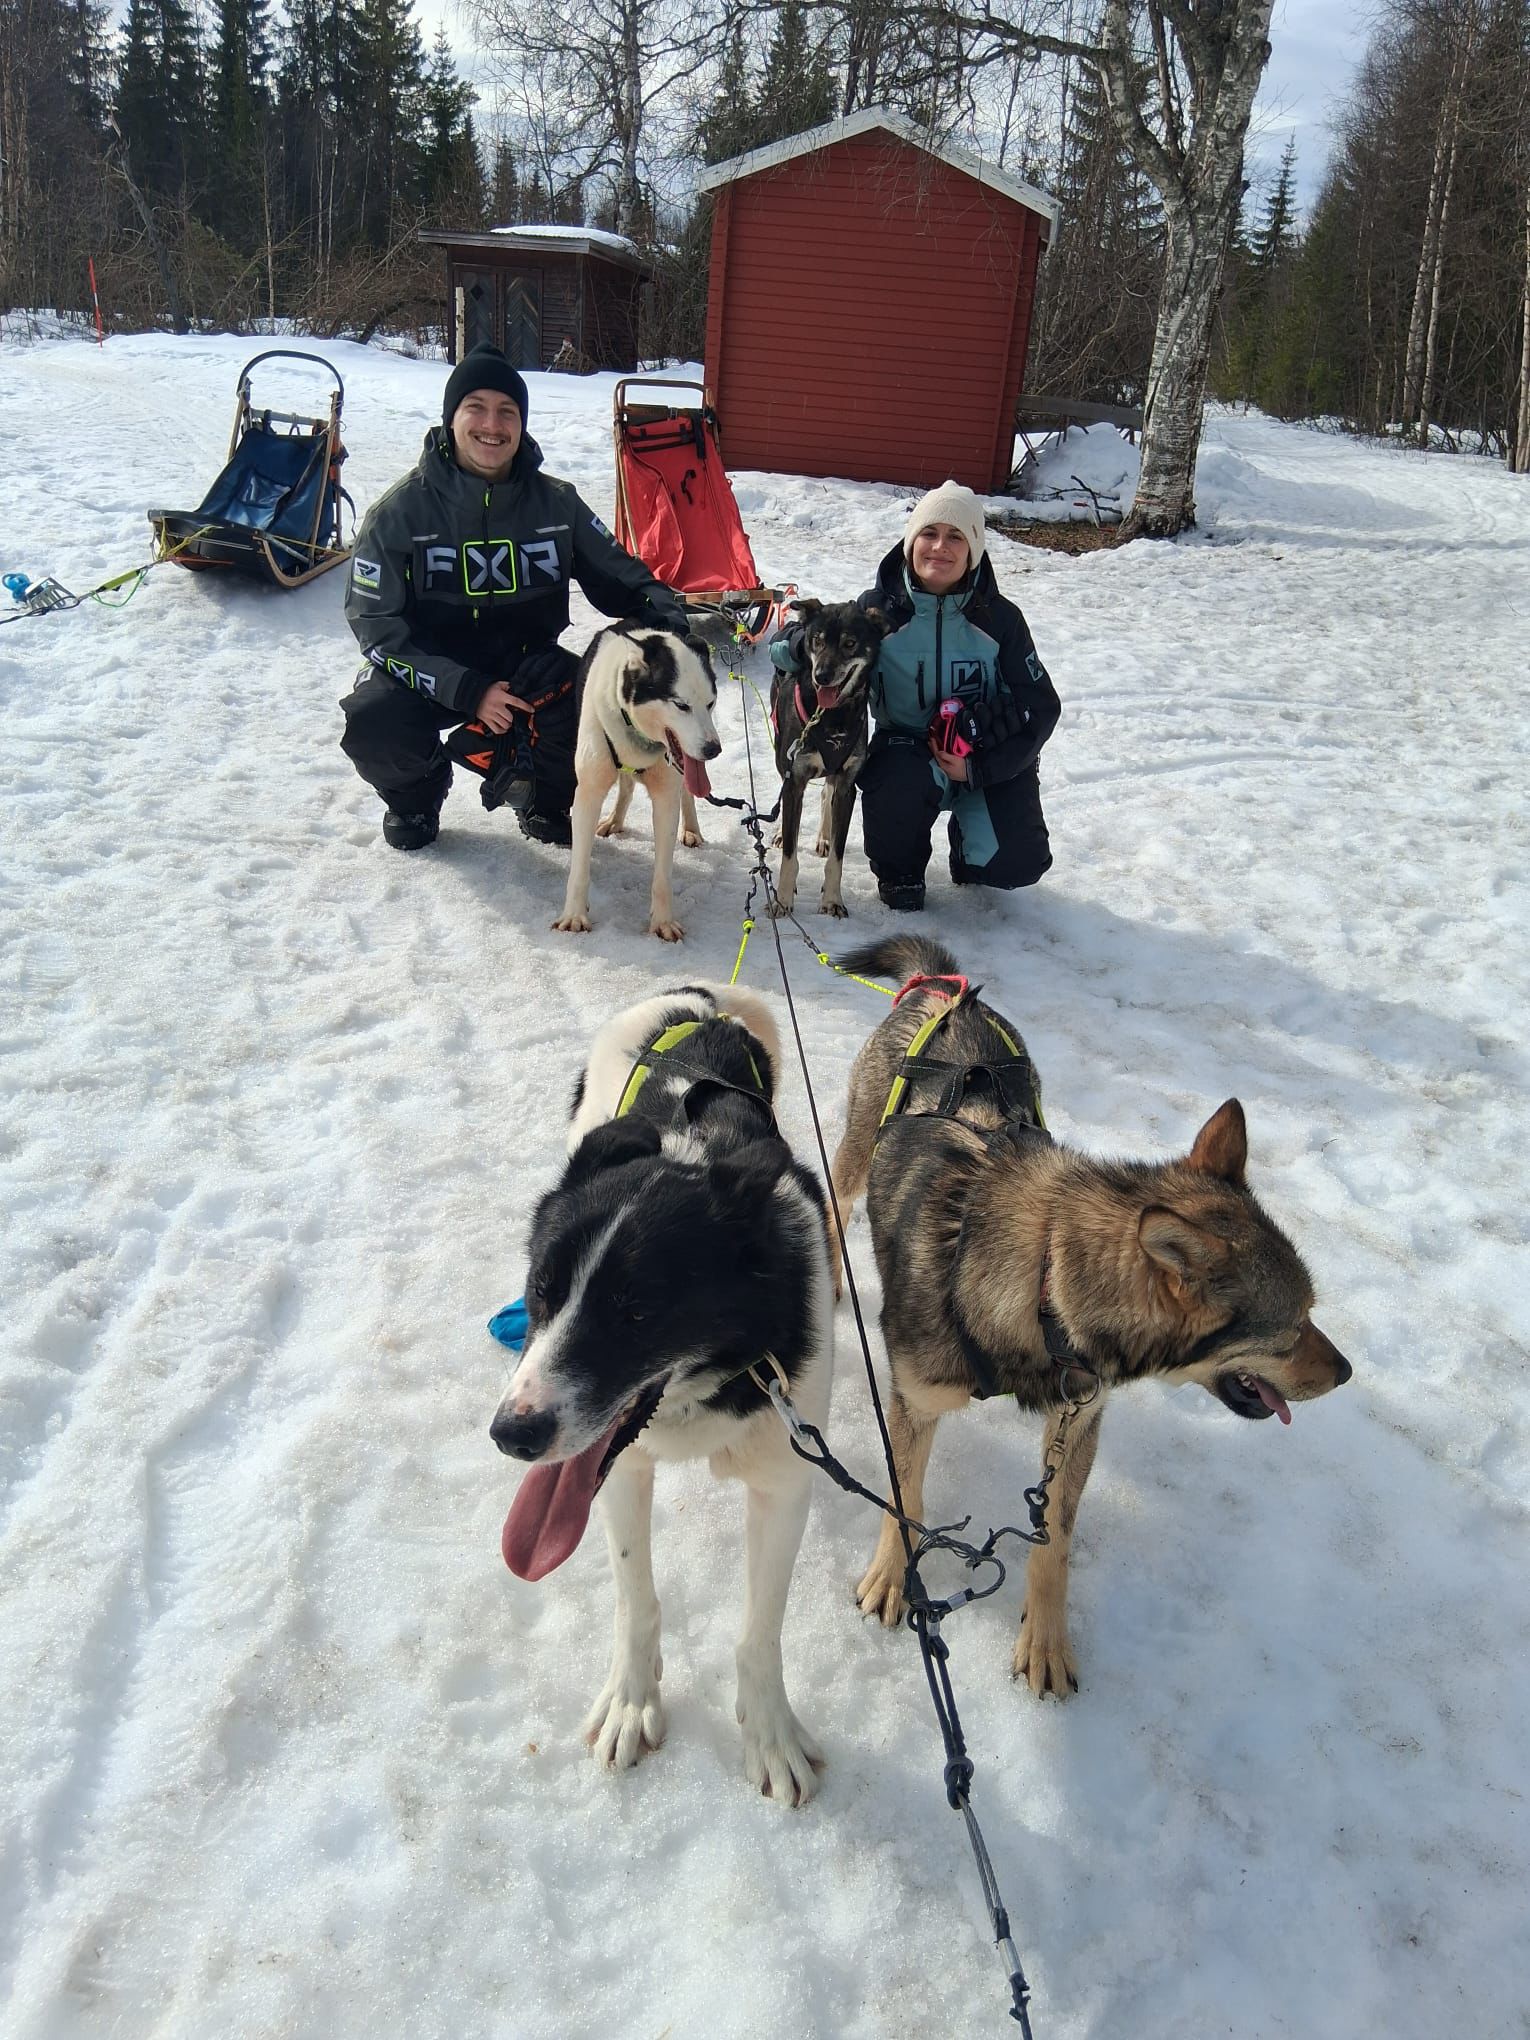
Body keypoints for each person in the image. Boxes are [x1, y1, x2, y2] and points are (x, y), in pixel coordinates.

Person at [341, 343, 687, 850]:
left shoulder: (558, 504)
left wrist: (669, 626)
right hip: (431, 669)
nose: (492, 424)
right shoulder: (399, 514)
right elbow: (376, 628)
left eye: (508, 411)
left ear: (521, 424)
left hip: (527, 668)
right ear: (451, 417)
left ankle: (545, 799)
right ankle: (417, 793)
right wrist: (466, 690)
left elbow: (628, 581)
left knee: (595, 695)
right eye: (475, 407)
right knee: (373, 719)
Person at [773, 481, 1060, 911]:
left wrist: (980, 767)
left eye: (956, 536)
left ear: (974, 549)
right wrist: (797, 645)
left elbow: (1041, 706)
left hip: (982, 754)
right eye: (929, 533)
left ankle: (968, 842)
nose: (940, 547)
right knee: (895, 816)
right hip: (907, 753)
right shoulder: (878, 610)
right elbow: (794, 645)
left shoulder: (1001, 619)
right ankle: (901, 869)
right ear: (911, 542)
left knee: (1015, 864)